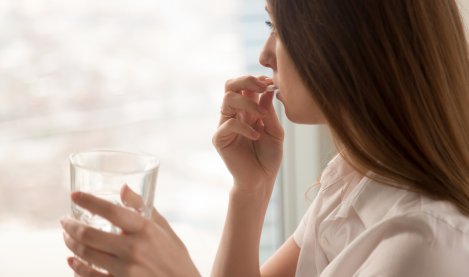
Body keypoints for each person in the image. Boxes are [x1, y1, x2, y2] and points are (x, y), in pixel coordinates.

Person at [60, 0, 469, 276]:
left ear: (344, 44)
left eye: (277, 27)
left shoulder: (423, 245)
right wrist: (250, 189)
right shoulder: (357, 178)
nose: (264, 55)